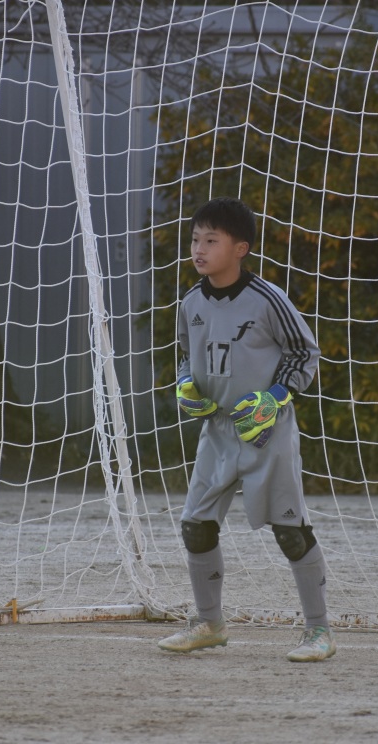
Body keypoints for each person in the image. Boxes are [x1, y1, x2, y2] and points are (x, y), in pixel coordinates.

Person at [158, 197, 335, 663]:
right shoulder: (191, 302)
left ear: (240, 249)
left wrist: (274, 398)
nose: (199, 249)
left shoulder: (267, 299)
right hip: (217, 432)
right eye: (195, 240)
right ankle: (209, 624)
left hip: (267, 432)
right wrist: (185, 385)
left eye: (211, 241)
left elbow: (305, 354)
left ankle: (319, 631)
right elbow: (186, 356)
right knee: (196, 527)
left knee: (290, 532)